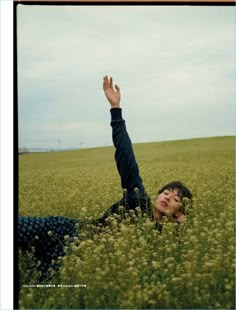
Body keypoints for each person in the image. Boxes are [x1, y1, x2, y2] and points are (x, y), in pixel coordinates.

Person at [18, 75, 192, 278]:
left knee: (39, 283)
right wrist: (115, 109)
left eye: (175, 199)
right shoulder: (138, 199)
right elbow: (126, 155)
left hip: (79, 259)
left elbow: (176, 264)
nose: (166, 198)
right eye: (166, 192)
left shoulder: (158, 241)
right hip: (68, 231)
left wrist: (182, 230)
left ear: (180, 211)